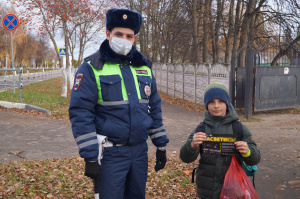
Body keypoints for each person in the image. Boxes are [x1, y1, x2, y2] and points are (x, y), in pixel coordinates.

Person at [69, 8, 169, 199]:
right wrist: (90, 157)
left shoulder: (144, 68)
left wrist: (161, 145)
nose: (124, 39)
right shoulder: (91, 67)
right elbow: (81, 113)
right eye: (118, 34)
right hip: (109, 154)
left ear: (135, 38)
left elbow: (154, 109)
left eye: (129, 35)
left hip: (139, 153)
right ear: (108, 34)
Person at [179, 82, 260, 199]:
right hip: (207, 192)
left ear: (227, 103)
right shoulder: (201, 129)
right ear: (207, 105)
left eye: (220, 101)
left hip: (234, 189)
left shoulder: (239, 128)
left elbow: (255, 159)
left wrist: (247, 152)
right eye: (211, 102)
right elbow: (185, 158)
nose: (216, 106)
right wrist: (192, 145)